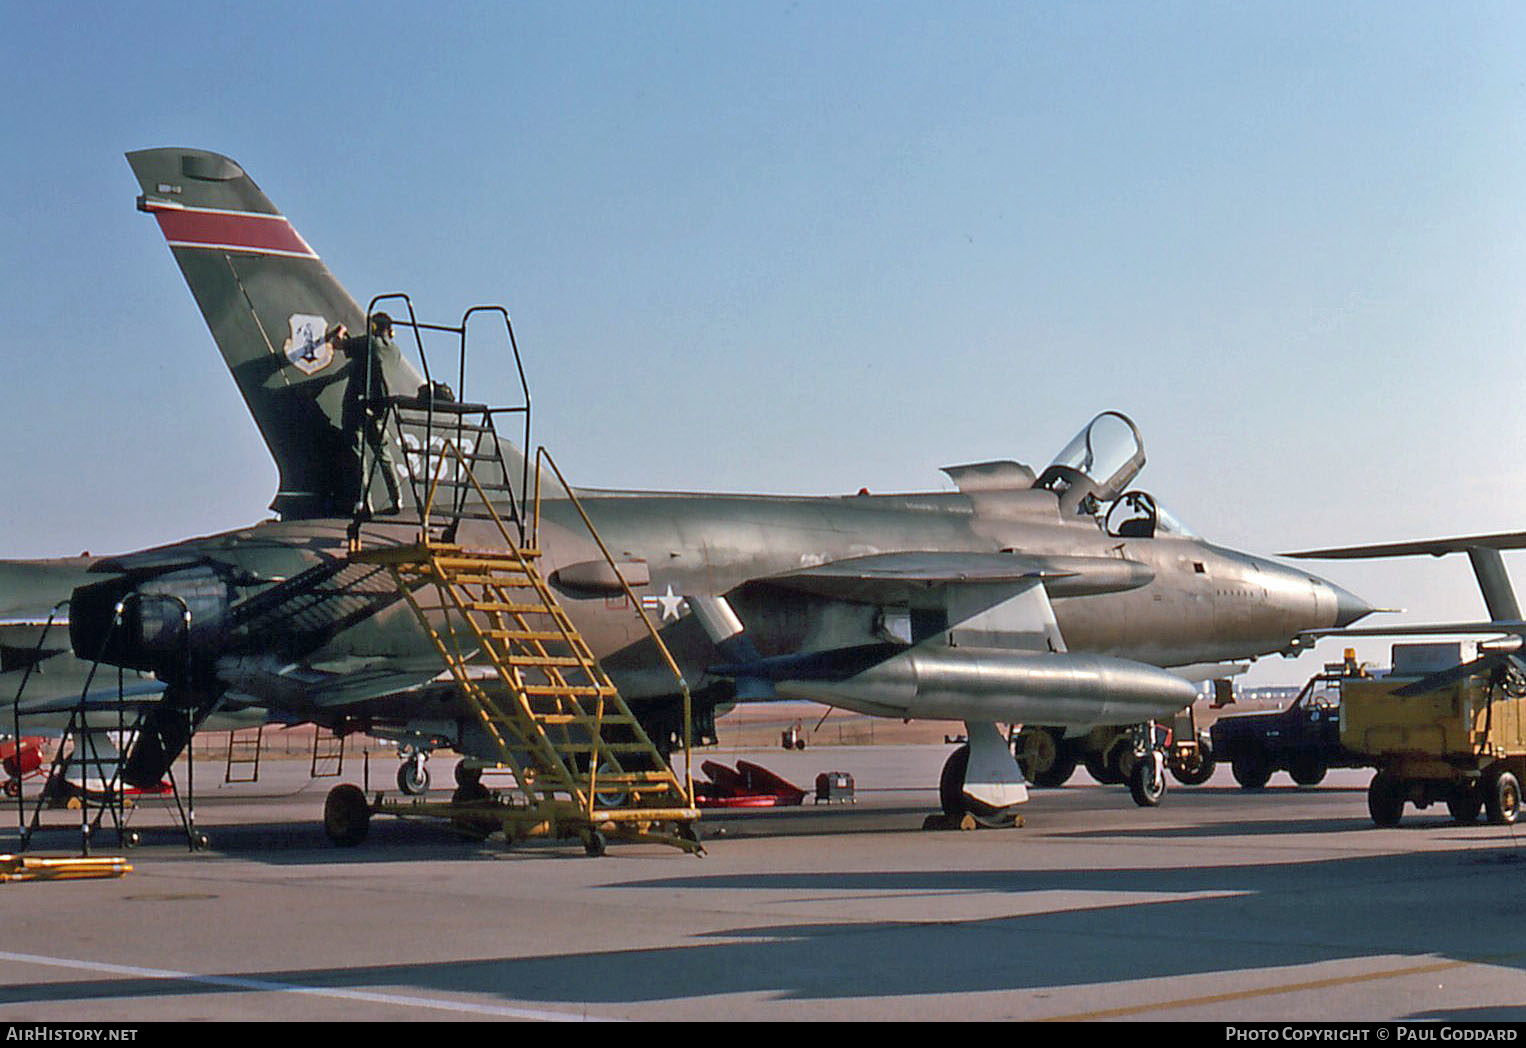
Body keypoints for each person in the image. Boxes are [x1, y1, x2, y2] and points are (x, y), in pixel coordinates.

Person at [333, 313, 404, 516]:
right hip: (381, 407)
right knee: (384, 455)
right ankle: (397, 499)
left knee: (359, 455)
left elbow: (339, 344)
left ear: (372, 327)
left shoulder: (368, 343)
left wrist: (340, 333)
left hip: (358, 405)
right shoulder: (395, 351)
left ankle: (364, 503)